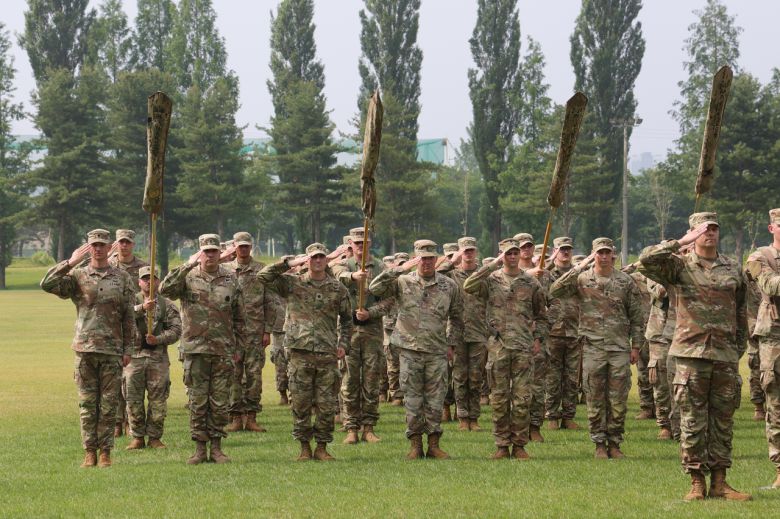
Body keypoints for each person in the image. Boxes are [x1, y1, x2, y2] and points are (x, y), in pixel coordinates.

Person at [639, 212, 751, 501]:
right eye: (703, 229)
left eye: (713, 228)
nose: (709, 233)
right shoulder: (679, 267)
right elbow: (646, 261)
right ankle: (696, 482)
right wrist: (680, 242)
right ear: (693, 233)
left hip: (724, 355)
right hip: (690, 354)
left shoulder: (732, 268)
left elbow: (740, 312)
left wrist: (735, 348)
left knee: (723, 421)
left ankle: (721, 482)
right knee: (692, 421)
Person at [40, 229, 135, 468]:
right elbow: (47, 284)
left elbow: (128, 317)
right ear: (88, 247)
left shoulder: (122, 277)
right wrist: (70, 262)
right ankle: (89, 451)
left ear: (109, 247)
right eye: (94, 245)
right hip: (85, 349)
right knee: (87, 404)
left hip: (112, 350)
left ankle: (105, 452)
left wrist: (128, 349)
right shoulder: (78, 276)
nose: (98, 249)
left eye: (102, 245)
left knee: (109, 405)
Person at [550, 237, 644, 460]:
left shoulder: (625, 282)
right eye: (599, 253)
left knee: (618, 399)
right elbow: (555, 290)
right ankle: (599, 443)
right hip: (592, 347)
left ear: (613, 255)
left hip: (619, 347)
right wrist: (579, 267)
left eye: (607, 252)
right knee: (594, 397)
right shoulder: (582, 279)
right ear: (594, 254)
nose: (603, 257)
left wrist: (636, 345)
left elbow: (637, 317)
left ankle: (615, 442)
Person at [257, 243, 353, 461]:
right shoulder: (293, 283)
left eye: (321, 257)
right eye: (313, 257)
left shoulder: (337, 289)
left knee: (326, 405)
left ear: (326, 260)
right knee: (300, 403)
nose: (317, 261)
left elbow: (348, 320)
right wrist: (289, 263)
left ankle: (321, 447)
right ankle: (304, 448)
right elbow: (263, 277)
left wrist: (344, 344)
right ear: (306, 260)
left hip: (326, 354)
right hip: (299, 354)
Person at [370, 239, 464, 460]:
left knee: (435, 400)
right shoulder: (402, 282)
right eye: (422, 258)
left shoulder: (448, 285)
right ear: (416, 259)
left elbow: (457, 318)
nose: (426, 263)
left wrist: (451, 343)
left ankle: (433, 444)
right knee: (412, 400)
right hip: (409, 350)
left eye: (431, 258)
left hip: (436, 351)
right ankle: (414, 445)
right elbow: (375, 288)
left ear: (436, 259)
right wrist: (397, 269)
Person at [160, 234, 246, 465]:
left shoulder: (230, 279)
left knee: (219, 402)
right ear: (200, 253)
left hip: (223, 349)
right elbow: (165, 289)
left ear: (220, 253)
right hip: (195, 349)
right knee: (198, 401)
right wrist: (188, 264)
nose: (210, 255)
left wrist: (237, 346)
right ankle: (199, 449)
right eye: (205, 251)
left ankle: (217, 448)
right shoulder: (187, 276)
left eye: (213, 251)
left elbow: (239, 316)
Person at [464, 238, 548, 459]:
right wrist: (492, 264)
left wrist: (538, 338)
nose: (512, 257)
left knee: (521, 400)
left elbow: (542, 315)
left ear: (520, 255)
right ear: (502, 255)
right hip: (498, 347)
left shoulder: (530, 283)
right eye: (507, 254)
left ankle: (519, 445)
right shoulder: (491, 280)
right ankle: (502, 444)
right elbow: (469, 285)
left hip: (522, 348)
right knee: (499, 399)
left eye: (515, 253)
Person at [332, 227, 393, 444]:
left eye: (364, 242)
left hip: (372, 331)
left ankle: (369, 427)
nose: (360, 247)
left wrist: (371, 312)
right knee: (349, 380)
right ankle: (351, 428)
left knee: (371, 380)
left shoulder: (380, 267)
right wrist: (353, 276)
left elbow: (389, 300)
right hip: (348, 330)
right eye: (357, 243)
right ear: (351, 245)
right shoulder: (343, 265)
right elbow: (336, 275)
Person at [125, 266, 181, 450]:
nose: (149, 282)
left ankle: (155, 437)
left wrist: (158, 338)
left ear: (158, 281)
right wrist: (141, 308)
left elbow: (176, 330)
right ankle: (137, 437)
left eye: (153, 278)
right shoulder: (129, 302)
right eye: (145, 278)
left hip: (158, 359)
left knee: (158, 401)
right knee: (133, 399)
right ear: (139, 281)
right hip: (134, 358)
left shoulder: (168, 305)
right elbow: (119, 318)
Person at [224, 232, 275, 433]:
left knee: (254, 375)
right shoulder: (225, 270)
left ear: (251, 247)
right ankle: (236, 417)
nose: (243, 249)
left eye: (246, 246)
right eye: (240, 246)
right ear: (234, 247)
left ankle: (252, 417)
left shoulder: (262, 270)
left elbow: (270, 302)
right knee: (233, 375)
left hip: (255, 332)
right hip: (232, 332)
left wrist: (268, 330)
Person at [437, 236, 489, 431]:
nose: (468, 254)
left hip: (477, 332)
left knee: (476, 378)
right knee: (459, 378)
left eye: (471, 250)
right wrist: (453, 259)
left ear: (476, 252)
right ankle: (462, 417)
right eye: (464, 251)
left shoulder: (483, 275)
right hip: (456, 333)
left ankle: (474, 418)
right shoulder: (451, 276)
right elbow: (438, 272)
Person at [744, 208, 780, 489]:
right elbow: (770, 285)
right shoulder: (760, 257)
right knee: (777, 405)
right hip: (774, 340)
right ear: (771, 228)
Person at [512, 233, 551, 443]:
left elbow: (550, 302)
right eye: (521, 248)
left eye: (529, 247)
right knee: (514, 388)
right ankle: (517, 428)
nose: (526, 251)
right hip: (513, 339)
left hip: (535, 338)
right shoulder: (506, 275)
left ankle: (535, 426)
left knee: (537, 385)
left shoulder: (544, 274)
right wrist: (527, 274)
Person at [110, 229, 148, 438]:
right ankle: (117, 421)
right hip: (112, 326)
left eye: (127, 242)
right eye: (120, 242)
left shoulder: (142, 267)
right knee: (115, 378)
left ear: (133, 244)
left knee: (131, 378)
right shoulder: (109, 265)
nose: (124, 246)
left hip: (136, 327)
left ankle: (130, 421)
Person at [544, 237, 582, 430]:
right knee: (552, 376)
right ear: (554, 252)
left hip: (575, 331)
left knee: (572, 377)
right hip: (553, 331)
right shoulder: (547, 274)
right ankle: (551, 415)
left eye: (568, 249)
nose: (566, 253)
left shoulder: (581, 274)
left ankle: (568, 416)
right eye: (562, 249)